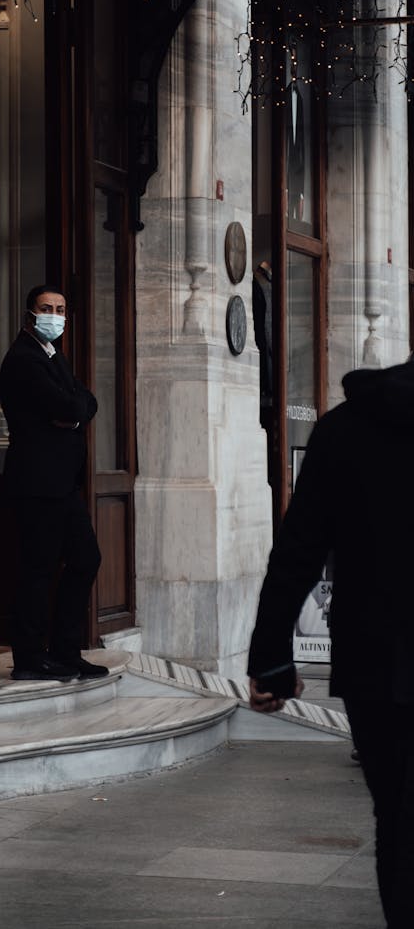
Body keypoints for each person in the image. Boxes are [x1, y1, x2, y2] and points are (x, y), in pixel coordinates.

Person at [247, 356, 414, 929]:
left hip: (374, 658)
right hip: (377, 656)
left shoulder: (346, 426)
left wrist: (270, 658)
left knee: (398, 822)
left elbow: (298, 548)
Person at [0, 285, 106, 682]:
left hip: (62, 484)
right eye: (47, 308)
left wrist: (75, 412)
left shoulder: (52, 355)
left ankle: (65, 650)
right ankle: (28, 657)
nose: (55, 315)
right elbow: (68, 405)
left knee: (85, 559)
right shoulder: (23, 359)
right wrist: (74, 410)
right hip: (36, 483)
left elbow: (85, 402)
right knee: (37, 569)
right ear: (31, 313)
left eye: (60, 308)